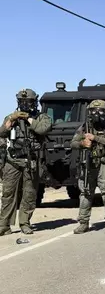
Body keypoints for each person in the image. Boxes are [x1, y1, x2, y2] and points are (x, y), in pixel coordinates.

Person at [0, 88, 52, 236]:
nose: (25, 105)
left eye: (28, 102)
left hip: (31, 160)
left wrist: (28, 118)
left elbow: (43, 129)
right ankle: (4, 225)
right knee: (8, 193)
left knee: (29, 193)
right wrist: (12, 120)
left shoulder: (42, 117)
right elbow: (2, 132)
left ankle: (25, 222)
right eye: (22, 102)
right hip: (13, 160)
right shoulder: (12, 117)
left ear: (34, 102)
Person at [70, 100, 105, 234]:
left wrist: (95, 138)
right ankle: (83, 222)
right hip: (88, 164)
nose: (97, 114)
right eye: (94, 111)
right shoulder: (83, 128)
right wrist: (82, 143)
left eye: (101, 111)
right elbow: (73, 143)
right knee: (85, 193)